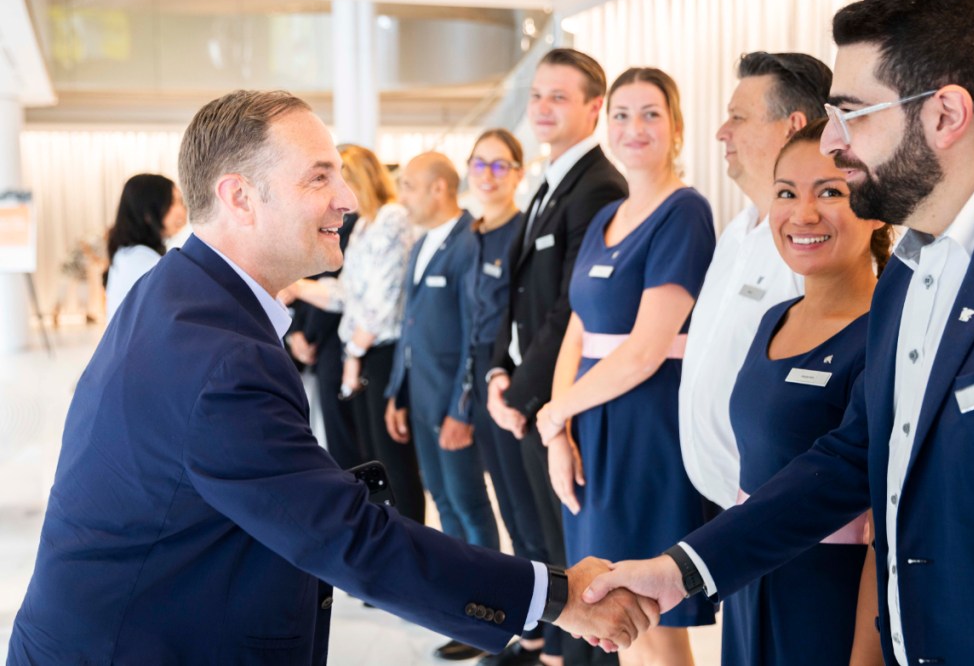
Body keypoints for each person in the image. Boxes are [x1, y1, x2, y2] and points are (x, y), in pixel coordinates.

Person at [6, 90, 659, 665]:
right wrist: (558, 595)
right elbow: (349, 538)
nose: (347, 199)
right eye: (320, 178)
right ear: (239, 196)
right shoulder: (218, 355)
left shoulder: (178, 292)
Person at [581, 0, 974, 664]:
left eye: (851, 115)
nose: (833, 143)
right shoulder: (909, 271)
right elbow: (850, 458)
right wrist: (682, 570)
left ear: (946, 114)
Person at [535, 67, 716, 666]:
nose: (633, 128)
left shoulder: (685, 212)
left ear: (676, 129)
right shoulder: (606, 217)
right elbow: (576, 331)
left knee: (649, 612)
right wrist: (558, 430)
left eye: (649, 114)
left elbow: (644, 349)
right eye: (620, 114)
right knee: (608, 610)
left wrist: (558, 409)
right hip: (590, 423)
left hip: (644, 427)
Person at [722, 119, 888, 666]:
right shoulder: (774, 318)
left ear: (877, 202)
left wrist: (864, 657)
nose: (803, 213)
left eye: (831, 192)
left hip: (828, 598)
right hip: (749, 578)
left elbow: (882, 527)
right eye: (786, 193)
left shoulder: (885, 332)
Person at [487, 47, 628, 666]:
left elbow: (570, 309)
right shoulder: (550, 182)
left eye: (559, 97)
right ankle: (549, 652)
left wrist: (521, 397)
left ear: (594, 108)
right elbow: (513, 293)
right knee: (536, 541)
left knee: (574, 557)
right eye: (537, 94)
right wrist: (497, 371)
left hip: (558, 398)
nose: (541, 107)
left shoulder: (599, 185)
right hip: (524, 393)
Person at [678, 52, 832, 514]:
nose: (722, 132)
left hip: (772, 512)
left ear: (792, 126)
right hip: (716, 503)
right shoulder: (736, 230)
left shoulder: (811, 241)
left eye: (738, 118)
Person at [384, 151, 502, 660]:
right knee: (445, 504)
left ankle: (490, 613)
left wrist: (463, 408)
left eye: (409, 185)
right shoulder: (420, 246)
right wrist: (395, 392)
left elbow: (477, 334)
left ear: (438, 188)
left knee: (469, 506)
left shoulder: (467, 244)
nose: (402, 196)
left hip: (453, 405)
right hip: (421, 399)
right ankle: (463, 611)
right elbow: (410, 325)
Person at [282, 144, 425, 521]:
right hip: (360, 351)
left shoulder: (394, 218)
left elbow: (383, 300)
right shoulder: (365, 225)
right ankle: (386, 542)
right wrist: (298, 287)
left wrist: (354, 356)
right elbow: (346, 293)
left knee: (393, 463)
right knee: (370, 460)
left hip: (380, 353)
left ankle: (411, 547)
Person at [464, 129, 549, 573]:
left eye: (500, 165)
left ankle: (553, 638)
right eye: (480, 164)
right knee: (509, 511)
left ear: (518, 173)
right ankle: (534, 633)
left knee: (528, 510)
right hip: (477, 375)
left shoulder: (523, 233)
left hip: (513, 377)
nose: (488, 175)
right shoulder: (471, 234)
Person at [283, 212, 363, 468]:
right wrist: (294, 333)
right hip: (303, 344)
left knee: (343, 440)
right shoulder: (298, 226)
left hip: (336, 341)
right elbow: (287, 281)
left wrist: (310, 336)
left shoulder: (352, 226)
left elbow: (340, 291)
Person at [103, 173, 188, 321]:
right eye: (172, 203)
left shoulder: (129, 254)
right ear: (148, 212)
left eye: (181, 202)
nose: (181, 211)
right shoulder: (140, 262)